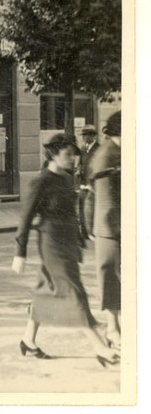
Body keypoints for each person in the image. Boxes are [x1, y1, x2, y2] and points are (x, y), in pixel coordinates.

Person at [13, 133, 119, 367]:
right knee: (73, 292)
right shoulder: (41, 182)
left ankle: (28, 341)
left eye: (74, 154)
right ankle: (99, 346)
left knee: (45, 291)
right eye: (67, 154)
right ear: (53, 154)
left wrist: (80, 237)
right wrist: (20, 252)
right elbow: (25, 217)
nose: (73, 159)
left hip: (67, 243)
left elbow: (73, 213)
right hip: (51, 243)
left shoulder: (66, 179)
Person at [90, 111, 122, 350]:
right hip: (110, 226)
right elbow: (104, 199)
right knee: (110, 274)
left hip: (120, 223)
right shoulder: (106, 156)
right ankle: (112, 328)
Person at [76, 125, 100, 241]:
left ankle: (92, 232)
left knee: (92, 208)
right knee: (81, 206)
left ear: (93, 136)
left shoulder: (98, 149)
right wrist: (78, 170)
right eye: (83, 136)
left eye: (87, 135)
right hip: (83, 182)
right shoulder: (83, 149)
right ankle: (84, 232)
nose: (85, 138)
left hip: (93, 184)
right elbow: (81, 164)